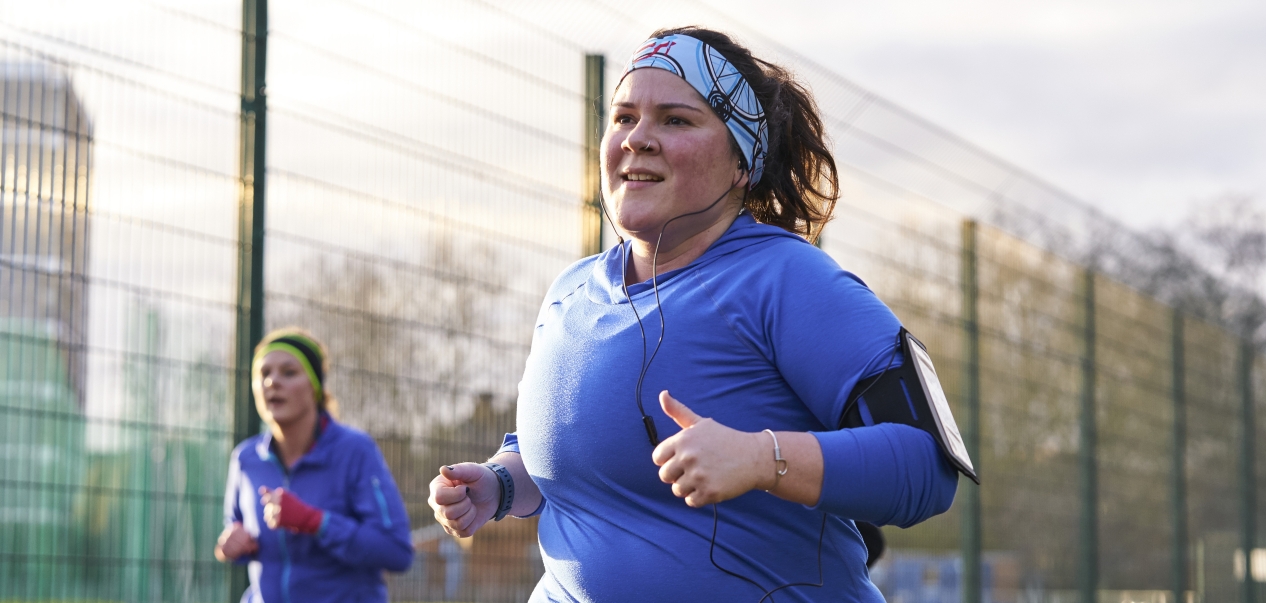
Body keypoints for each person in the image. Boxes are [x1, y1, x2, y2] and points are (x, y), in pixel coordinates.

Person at [428, 27, 959, 602]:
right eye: (624, 117)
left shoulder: (791, 281)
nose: (638, 139)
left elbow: (926, 466)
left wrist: (763, 458)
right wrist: (501, 483)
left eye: (676, 120)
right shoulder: (569, 290)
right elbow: (572, 455)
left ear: (741, 162)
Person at [215, 328, 413, 602]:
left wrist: (315, 522)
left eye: (288, 372)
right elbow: (235, 527)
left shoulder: (356, 450)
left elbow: (396, 551)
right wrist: (232, 545)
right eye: (264, 374)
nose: (272, 382)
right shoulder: (245, 458)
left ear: (315, 387)